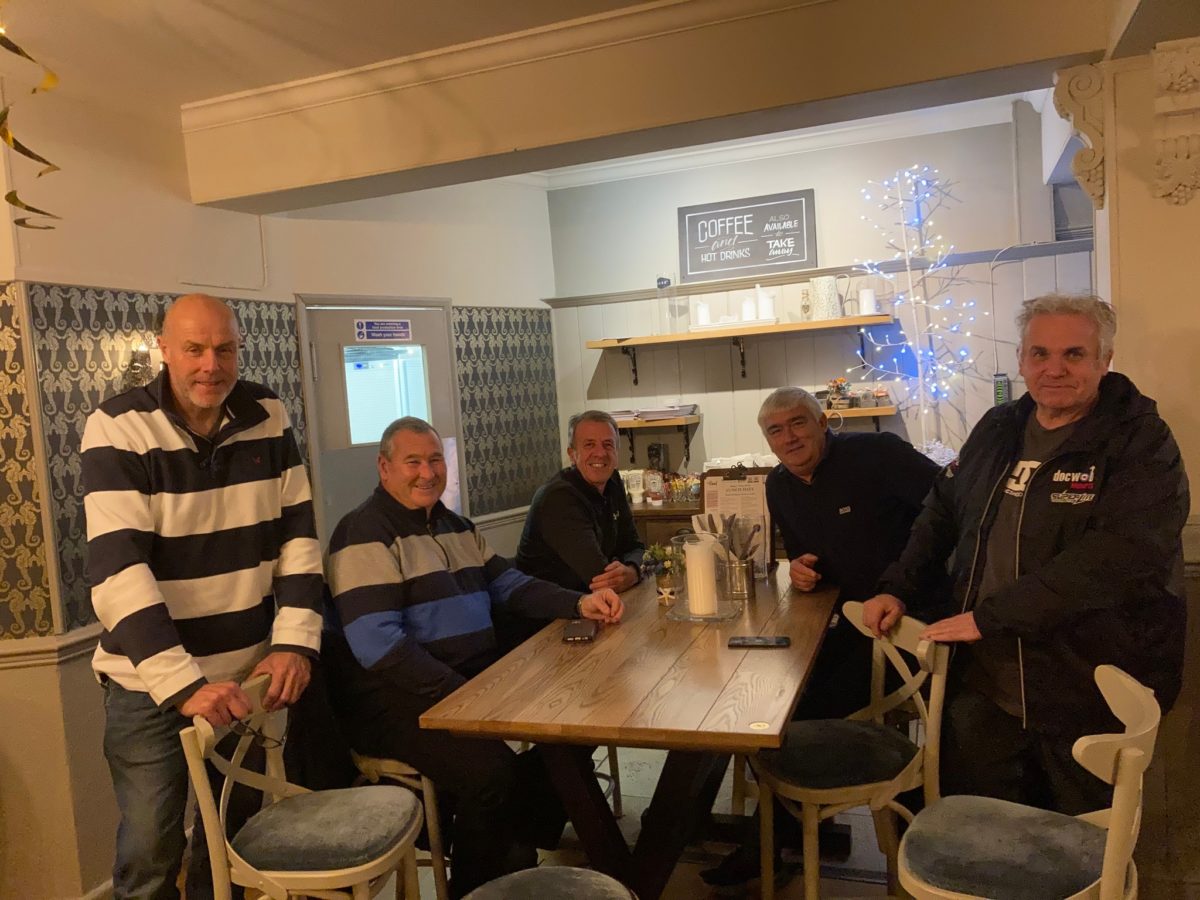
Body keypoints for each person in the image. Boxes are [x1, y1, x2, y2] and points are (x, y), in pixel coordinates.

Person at [865, 293, 1188, 816]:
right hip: (985, 685)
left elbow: (1118, 557)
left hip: (1084, 690)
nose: (1054, 369)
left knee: (1076, 840)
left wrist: (992, 617)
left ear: (1105, 360)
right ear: (1021, 360)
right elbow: (942, 511)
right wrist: (897, 586)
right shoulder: (998, 428)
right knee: (984, 828)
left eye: (1073, 354)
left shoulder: (1140, 441)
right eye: (1040, 353)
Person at [83, 293, 324, 900]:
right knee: (150, 854)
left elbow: (297, 536)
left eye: (225, 349)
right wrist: (184, 684)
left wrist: (295, 643)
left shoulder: (268, 413)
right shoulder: (118, 426)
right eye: (193, 349)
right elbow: (118, 570)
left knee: (235, 842)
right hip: (150, 685)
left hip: (246, 677)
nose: (211, 365)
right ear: (164, 349)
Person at [322, 416, 624, 898]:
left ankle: (510, 846)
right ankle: (477, 883)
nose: (427, 472)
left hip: (468, 679)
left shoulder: (456, 525)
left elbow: (510, 584)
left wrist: (579, 603)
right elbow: (379, 646)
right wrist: (462, 695)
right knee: (491, 774)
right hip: (397, 698)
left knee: (573, 727)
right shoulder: (363, 533)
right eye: (413, 462)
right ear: (384, 467)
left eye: (435, 460)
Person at [702, 386, 941, 888]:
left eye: (798, 423)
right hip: (847, 624)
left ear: (822, 423)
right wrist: (803, 569)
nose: (789, 437)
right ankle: (785, 832)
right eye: (776, 430)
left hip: (904, 629)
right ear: (768, 441)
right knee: (766, 695)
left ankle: (772, 846)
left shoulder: (876, 454)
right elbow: (808, 555)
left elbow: (948, 510)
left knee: (790, 712)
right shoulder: (779, 486)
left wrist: (902, 585)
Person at [515, 409, 644, 594]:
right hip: (550, 608)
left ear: (617, 452)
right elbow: (600, 578)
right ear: (572, 455)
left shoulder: (613, 481)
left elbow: (635, 547)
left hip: (592, 600)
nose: (600, 453)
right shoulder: (558, 498)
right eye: (589, 444)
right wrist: (634, 571)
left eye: (608, 444)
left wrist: (633, 570)